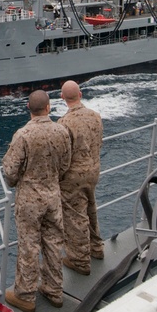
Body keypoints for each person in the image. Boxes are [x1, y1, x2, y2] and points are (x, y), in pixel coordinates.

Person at [2, 90, 71, 312]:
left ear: (28, 109)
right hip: (53, 196)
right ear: (48, 107)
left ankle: (25, 295)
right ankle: (54, 291)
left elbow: (10, 172)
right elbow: (65, 165)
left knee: (29, 246)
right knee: (53, 243)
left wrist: (18, 180)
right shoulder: (61, 131)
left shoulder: (23, 135)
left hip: (30, 200)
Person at [57, 80, 104, 275]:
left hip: (73, 178)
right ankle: (97, 248)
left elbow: (62, 157)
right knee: (91, 209)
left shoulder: (63, 123)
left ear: (62, 98)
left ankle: (79, 260)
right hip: (93, 171)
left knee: (75, 218)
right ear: (80, 94)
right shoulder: (96, 116)